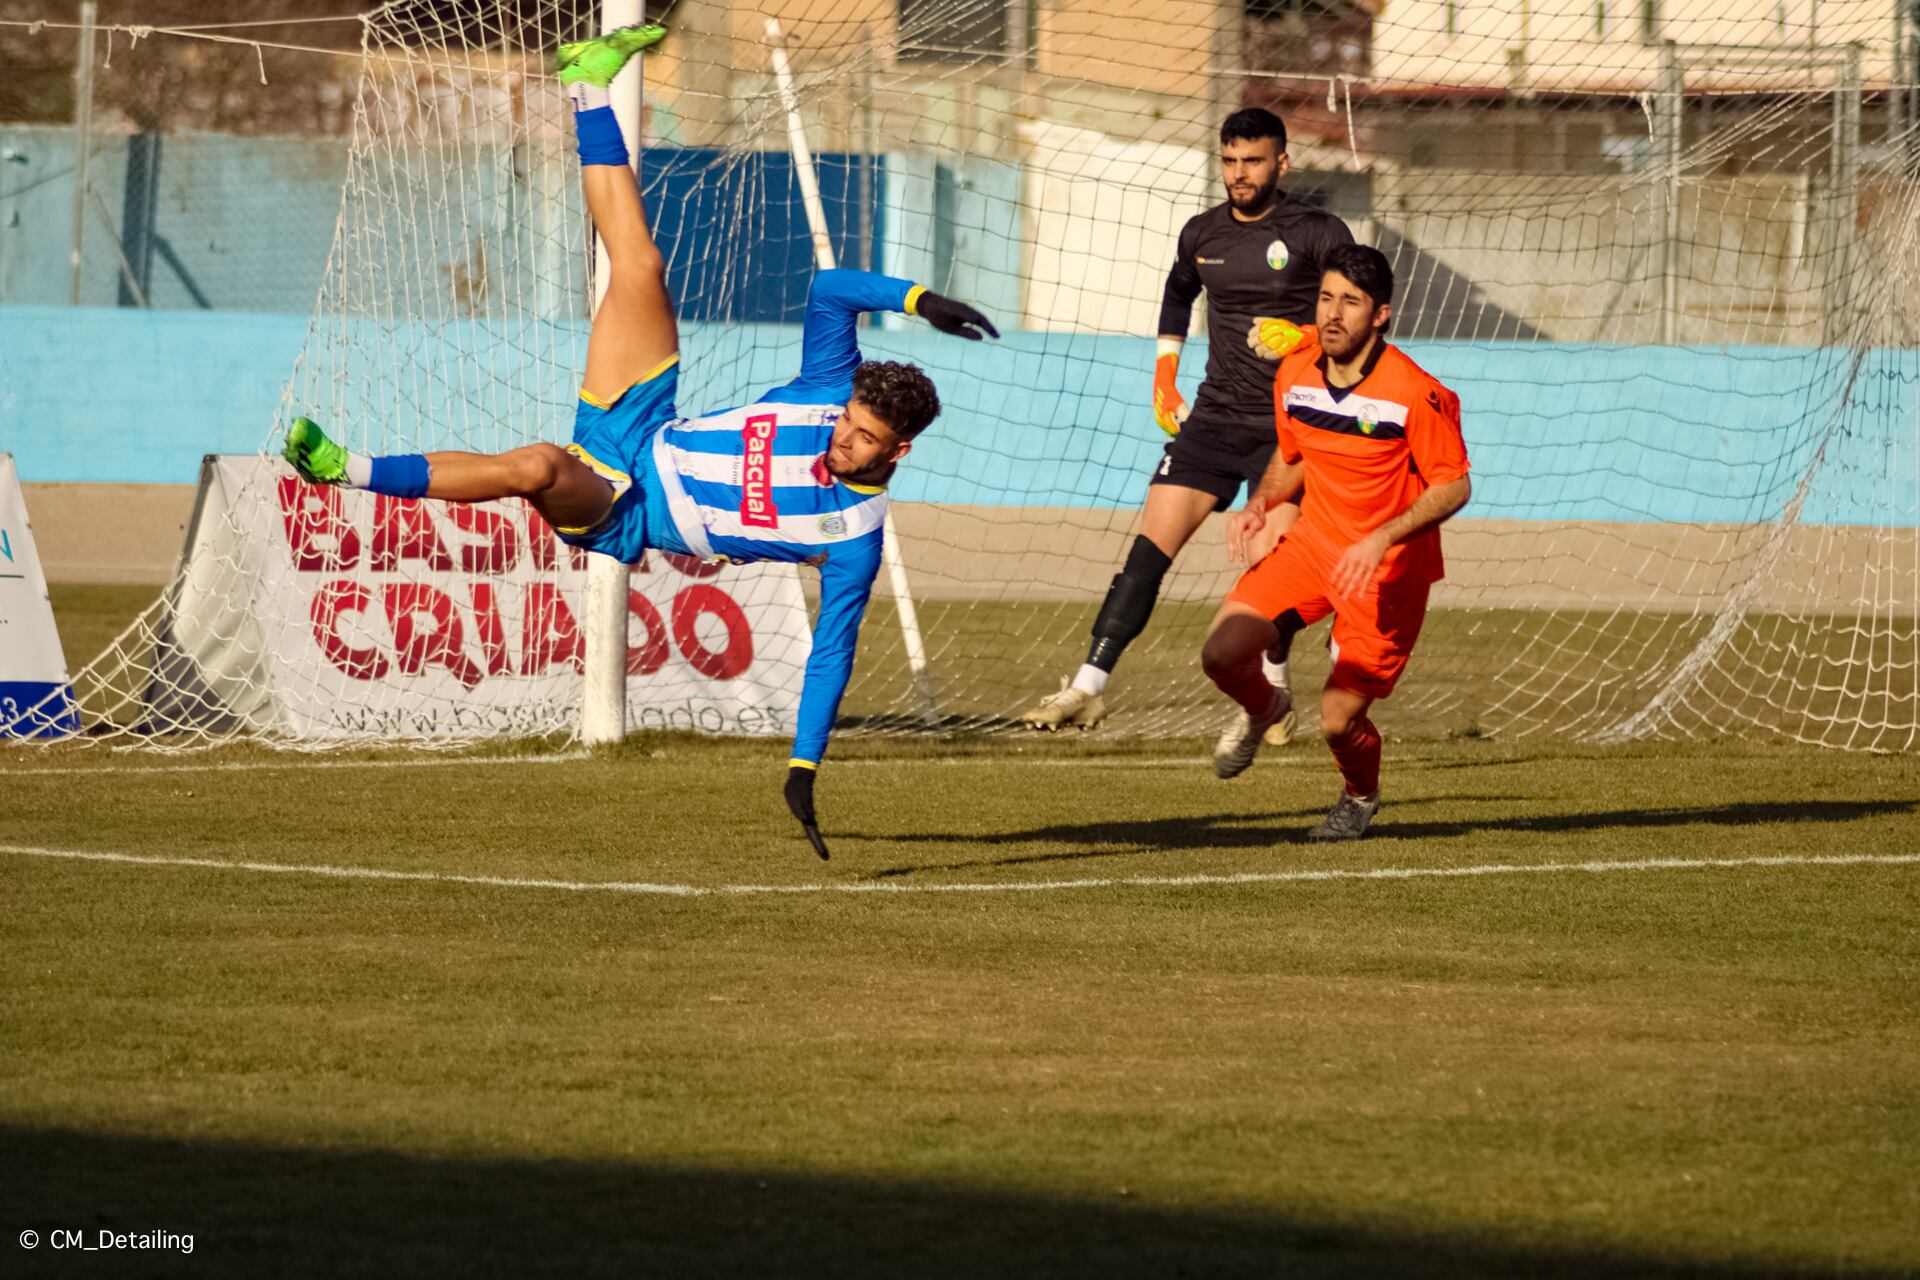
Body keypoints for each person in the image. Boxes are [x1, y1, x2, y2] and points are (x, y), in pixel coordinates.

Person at [281, 24, 998, 859]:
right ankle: (589, 84)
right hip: (643, 421)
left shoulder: (852, 542)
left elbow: (832, 653)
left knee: (539, 465)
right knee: (639, 264)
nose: (843, 438)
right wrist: (919, 299)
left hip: (623, 506)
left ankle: (341, 468)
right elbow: (831, 289)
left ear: (895, 454)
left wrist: (805, 763)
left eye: (864, 438)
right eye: (848, 421)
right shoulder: (829, 389)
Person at [1019, 106, 1354, 741]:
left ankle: (1274, 687)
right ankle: (1087, 688)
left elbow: (1362, 311)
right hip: (1212, 421)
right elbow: (1179, 294)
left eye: (1252, 161)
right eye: (1229, 161)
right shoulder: (1202, 234)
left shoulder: (1319, 231)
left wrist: (1307, 333)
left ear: (1282, 163)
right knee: (1146, 555)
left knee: (1270, 574)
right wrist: (1165, 374)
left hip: (1288, 430)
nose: (1239, 173)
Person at [1201, 244, 1470, 842]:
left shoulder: (1414, 392)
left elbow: (1454, 486)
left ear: (1380, 315)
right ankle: (1266, 710)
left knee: (1338, 719)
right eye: (1326, 298)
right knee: (1221, 653)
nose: (1333, 314)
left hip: (1387, 574)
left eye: (1351, 302)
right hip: (1313, 549)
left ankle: (1359, 797)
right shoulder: (1295, 372)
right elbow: (1294, 454)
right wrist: (1262, 502)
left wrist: (1379, 540)